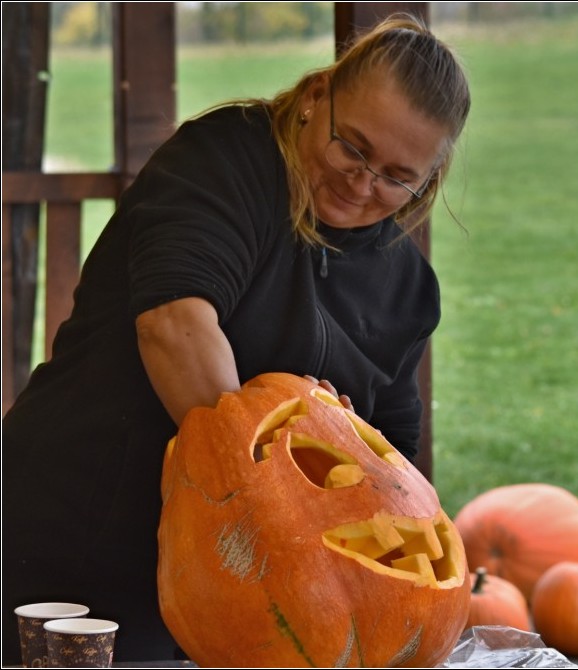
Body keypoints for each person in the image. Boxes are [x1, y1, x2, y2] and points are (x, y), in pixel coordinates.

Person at [2, 13, 470, 663]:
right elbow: (175, 325)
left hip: (257, 600)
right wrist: (273, 506)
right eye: (353, 148)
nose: (363, 184)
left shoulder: (407, 285)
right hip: (76, 538)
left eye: (397, 176)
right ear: (315, 98)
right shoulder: (227, 158)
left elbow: (391, 461)